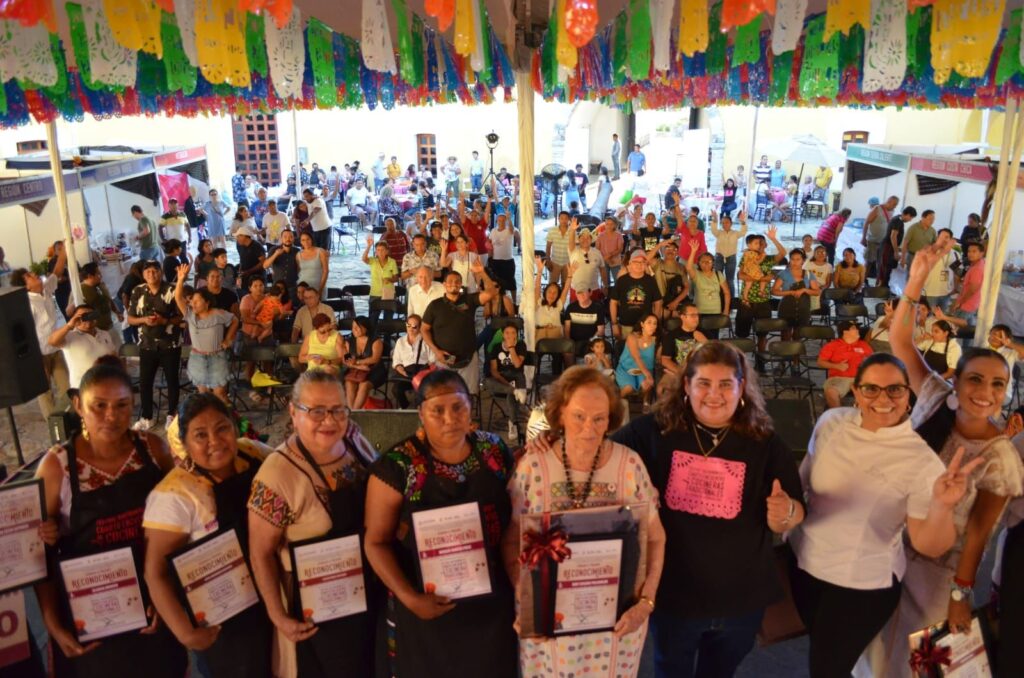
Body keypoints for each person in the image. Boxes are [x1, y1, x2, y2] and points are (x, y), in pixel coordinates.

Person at [867, 240, 1024, 678]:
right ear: (954, 381)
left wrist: (960, 595)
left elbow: (978, 535)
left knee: (913, 663)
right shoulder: (935, 399)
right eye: (975, 379)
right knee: (873, 651)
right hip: (890, 548)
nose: (986, 393)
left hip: (939, 577)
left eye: (997, 385)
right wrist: (917, 277)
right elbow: (899, 340)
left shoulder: (1001, 457)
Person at [612, 342, 805, 678]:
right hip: (673, 596)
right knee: (671, 670)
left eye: (725, 385)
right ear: (686, 385)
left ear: (741, 387)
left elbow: (798, 509)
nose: (713, 395)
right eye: (703, 383)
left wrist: (786, 514)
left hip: (741, 600)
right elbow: (601, 457)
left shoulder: (764, 441)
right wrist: (550, 444)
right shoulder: (653, 432)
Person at [788, 354, 983, 678]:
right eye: (871, 389)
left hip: (860, 586)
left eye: (895, 390)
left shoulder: (921, 461)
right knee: (821, 651)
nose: (883, 399)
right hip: (805, 566)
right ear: (855, 389)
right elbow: (802, 482)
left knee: (826, 669)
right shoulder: (832, 422)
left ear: (908, 394)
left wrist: (942, 505)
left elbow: (929, 544)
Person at [505, 367, 667, 677]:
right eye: (579, 416)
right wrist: (527, 599)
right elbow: (513, 541)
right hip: (548, 621)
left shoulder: (629, 465)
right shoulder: (532, 466)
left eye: (599, 418)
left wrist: (647, 600)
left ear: (611, 419)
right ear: (560, 413)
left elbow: (656, 538)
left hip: (616, 625)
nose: (589, 428)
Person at [33, 361, 187, 678]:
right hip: (88, 611)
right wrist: (51, 621)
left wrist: (168, 591)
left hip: (151, 599)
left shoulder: (153, 450)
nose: (111, 416)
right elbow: (38, 555)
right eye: (98, 406)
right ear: (78, 405)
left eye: (121, 405)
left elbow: (182, 525)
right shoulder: (56, 467)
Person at [364, 370, 517, 677]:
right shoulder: (398, 465)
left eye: (458, 407)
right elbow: (375, 542)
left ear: (470, 407)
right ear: (421, 413)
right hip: (425, 606)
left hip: (490, 606)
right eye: (437, 410)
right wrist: (410, 598)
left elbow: (515, 515)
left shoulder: (494, 452)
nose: (450, 418)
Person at [248, 371, 378, 678]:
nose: (329, 420)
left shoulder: (354, 440)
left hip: (364, 592)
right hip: (314, 612)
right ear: (293, 412)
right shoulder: (276, 476)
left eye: (338, 410)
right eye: (316, 411)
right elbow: (260, 552)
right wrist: (278, 615)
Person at [143, 394, 273, 677]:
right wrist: (186, 633)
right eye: (201, 435)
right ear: (186, 444)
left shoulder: (253, 454)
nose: (215, 441)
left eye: (222, 428)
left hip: (270, 599)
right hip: (222, 620)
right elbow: (155, 573)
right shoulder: (174, 495)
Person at [127, 259, 183, 430]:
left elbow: (182, 315)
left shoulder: (172, 289)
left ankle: (171, 415)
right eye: (148, 271)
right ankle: (147, 416)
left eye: (155, 270)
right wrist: (144, 319)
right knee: (145, 382)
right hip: (147, 344)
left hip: (170, 343)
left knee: (172, 381)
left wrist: (163, 320)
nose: (151, 274)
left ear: (161, 272)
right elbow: (130, 318)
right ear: (143, 274)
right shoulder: (138, 291)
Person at [422, 267, 497, 393]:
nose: (454, 284)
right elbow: (424, 329)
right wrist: (436, 351)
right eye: (450, 281)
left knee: (468, 395)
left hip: (468, 358)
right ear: (444, 285)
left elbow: (491, 292)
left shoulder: (469, 300)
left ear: (461, 284)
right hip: (443, 360)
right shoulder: (435, 305)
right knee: (444, 395)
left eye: (457, 281)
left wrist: (482, 272)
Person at [173, 262, 237, 401]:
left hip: (217, 357)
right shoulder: (190, 315)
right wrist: (180, 280)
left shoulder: (218, 313)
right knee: (204, 395)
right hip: (197, 358)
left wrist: (228, 339)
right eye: (192, 301)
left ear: (207, 302)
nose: (193, 304)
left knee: (220, 393)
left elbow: (235, 320)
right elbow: (178, 298)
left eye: (197, 301)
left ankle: (227, 420)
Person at [736, 227, 786, 348]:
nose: (759, 246)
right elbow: (740, 275)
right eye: (757, 243)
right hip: (746, 301)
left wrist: (774, 238)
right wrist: (763, 278)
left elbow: (783, 253)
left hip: (763, 301)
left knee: (763, 334)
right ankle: (741, 359)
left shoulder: (769, 259)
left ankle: (761, 359)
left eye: (761, 243)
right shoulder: (747, 256)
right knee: (742, 333)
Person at [47, 304, 117, 389]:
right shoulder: (70, 337)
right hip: (84, 388)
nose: (87, 320)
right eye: (82, 317)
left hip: (108, 383)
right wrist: (69, 325)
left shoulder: (104, 334)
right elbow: (52, 341)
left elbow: (114, 355)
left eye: (90, 315)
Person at [817, 320, 874, 409]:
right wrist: (837, 366)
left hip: (860, 378)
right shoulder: (832, 345)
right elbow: (820, 362)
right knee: (831, 392)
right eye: (854, 328)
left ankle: (860, 416)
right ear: (845, 332)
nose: (858, 330)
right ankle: (838, 416)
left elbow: (873, 361)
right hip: (839, 378)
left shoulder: (864, 345)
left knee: (871, 392)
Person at [610, 249, 663, 339]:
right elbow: (613, 302)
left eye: (642, 262)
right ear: (630, 263)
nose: (639, 265)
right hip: (626, 325)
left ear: (646, 264)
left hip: (646, 326)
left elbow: (658, 302)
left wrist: (655, 323)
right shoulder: (622, 280)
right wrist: (614, 324)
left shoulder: (650, 280)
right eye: (635, 262)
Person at [487, 324, 529, 438]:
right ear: (502, 335)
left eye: (513, 333)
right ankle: (515, 391)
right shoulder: (496, 347)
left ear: (517, 335)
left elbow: (517, 364)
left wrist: (511, 348)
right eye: (507, 333)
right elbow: (494, 371)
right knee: (487, 382)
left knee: (510, 395)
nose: (510, 335)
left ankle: (513, 424)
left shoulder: (521, 345)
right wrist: (506, 384)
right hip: (502, 379)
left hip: (516, 377)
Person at [390, 314, 434, 408]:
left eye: (414, 326)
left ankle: (419, 410)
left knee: (422, 392)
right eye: (408, 325)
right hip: (406, 372)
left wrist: (424, 372)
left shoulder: (426, 340)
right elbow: (396, 361)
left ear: (419, 327)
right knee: (396, 389)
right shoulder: (400, 341)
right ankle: (406, 408)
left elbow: (432, 359)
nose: (410, 329)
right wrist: (402, 370)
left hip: (422, 372)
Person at [773, 249, 820, 337]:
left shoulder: (809, 274)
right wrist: (790, 292)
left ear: (803, 261)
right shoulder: (783, 274)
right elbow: (774, 291)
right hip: (786, 307)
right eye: (792, 259)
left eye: (798, 259)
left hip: (803, 309)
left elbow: (817, 292)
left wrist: (804, 290)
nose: (795, 262)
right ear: (789, 260)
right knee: (785, 333)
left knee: (798, 334)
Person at [342, 316, 385, 409]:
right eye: (353, 327)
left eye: (358, 327)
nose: (354, 330)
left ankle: (355, 413)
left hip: (374, 370)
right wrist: (359, 366)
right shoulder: (349, 342)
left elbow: (374, 359)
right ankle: (353, 412)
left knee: (364, 385)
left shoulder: (376, 341)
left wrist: (357, 362)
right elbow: (347, 360)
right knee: (349, 383)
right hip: (356, 371)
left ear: (366, 327)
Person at [615, 313, 659, 404]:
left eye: (655, 323)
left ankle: (645, 402)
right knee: (628, 388)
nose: (652, 326)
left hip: (645, 369)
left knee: (646, 385)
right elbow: (636, 357)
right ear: (642, 324)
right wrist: (648, 375)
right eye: (649, 323)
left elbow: (658, 359)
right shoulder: (632, 337)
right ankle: (613, 403)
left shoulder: (657, 340)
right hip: (626, 368)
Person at [77, 261, 122, 348]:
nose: (100, 276)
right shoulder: (80, 291)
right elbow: (70, 311)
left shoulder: (100, 285)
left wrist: (117, 312)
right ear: (90, 276)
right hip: (97, 331)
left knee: (119, 349)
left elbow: (108, 299)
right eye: (98, 274)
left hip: (109, 325)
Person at [686, 250, 730, 335]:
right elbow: (688, 267)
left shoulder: (718, 274)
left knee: (714, 336)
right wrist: (693, 251)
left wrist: (726, 310)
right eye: (703, 261)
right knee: (699, 336)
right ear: (698, 263)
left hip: (715, 311)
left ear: (713, 262)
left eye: (709, 261)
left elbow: (727, 292)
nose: (706, 263)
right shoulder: (696, 274)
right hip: (699, 311)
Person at [660, 304, 708, 379]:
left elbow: (714, 357)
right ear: (682, 317)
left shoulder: (704, 333)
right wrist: (681, 373)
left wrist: (704, 341)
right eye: (692, 315)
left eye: (697, 315)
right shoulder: (671, 335)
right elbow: (665, 360)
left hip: (700, 374)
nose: (696, 318)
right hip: (678, 372)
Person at [533, 258, 574, 341]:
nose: (552, 294)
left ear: (558, 295)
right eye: (550, 292)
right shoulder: (539, 302)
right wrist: (540, 271)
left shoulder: (558, 305)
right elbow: (537, 287)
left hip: (555, 337)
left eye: (555, 292)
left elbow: (565, 290)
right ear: (545, 293)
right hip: (540, 336)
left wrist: (570, 275)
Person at [648, 238, 690, 318]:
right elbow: (645, 259)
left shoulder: (681, 267)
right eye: (667, 248)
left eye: (674, 249)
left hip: (675, 302)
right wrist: (659, 245)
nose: (671, 251)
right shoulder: (658, 263)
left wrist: (675, 302)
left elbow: (686, 288)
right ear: (663, 251)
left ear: (677, 252)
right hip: (659, 303)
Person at [563, 286, 608, 360]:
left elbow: (600, 330)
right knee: (567, 350)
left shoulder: (597, 308)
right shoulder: (571, 307)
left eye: (584, 292)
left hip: (592, 340)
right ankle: (572, 371)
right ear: (576, 295)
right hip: (574, 341)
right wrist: (569, 342)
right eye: (579, 293)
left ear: (590, 293)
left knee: (598, 348)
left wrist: (591, 342)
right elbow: (567, 328)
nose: (581, 295)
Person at [710, 211, 747, 293]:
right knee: (718, 278)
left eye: (727, 222)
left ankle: (732, 299)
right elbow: (713, 229)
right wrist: (715, 219)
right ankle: (719, 297)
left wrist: (742, 221)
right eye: (723, 223)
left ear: (731, 223)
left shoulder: (735, 233)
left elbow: (743, 231)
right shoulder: (719, 233)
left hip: (731, 258)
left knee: (730, 280)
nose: (724, 224)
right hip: (719, 257)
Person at [949, 240, 985, 325]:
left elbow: (973, 289)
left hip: (967, 305)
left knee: (956, 330)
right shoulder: (979, 263)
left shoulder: (977, 268)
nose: (970, 254)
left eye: (974, 251)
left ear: (981, 253)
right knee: (967, 331)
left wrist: (959, 302)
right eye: (969, 251)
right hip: (972, 303)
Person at [922, 228, 958, 312]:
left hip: (946, 293)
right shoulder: (929, 251)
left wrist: (955, 287)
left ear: (950, 239)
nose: (943, 240)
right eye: (941, 237)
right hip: (930, 292)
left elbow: (956, 272)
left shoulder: (955, 254)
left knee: (941, 318)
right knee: (927, 316)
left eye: (946, 237)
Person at [862, 196, 898, 278]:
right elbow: (866, 222)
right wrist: (863, 237)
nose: (895, 206)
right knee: (869, 262)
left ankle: (877, 283)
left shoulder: (892, 211)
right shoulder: (877, 209)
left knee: (880, 263)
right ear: (888, 202)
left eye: (896, 205)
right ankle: (863, 280)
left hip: (883, 242)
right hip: (873, 241)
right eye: (894, 204)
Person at [489, 212, 518, 300]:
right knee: (497, 282)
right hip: (495, 260)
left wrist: (509, 218)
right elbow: (489, 243)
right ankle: (499, 300)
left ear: (505, 221)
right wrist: (490, 256)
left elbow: (513, 230)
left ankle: (514, 301)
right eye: (499, 220)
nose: (501, 222)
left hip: (508, 260)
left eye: (503, 220)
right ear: (496, 221)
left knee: (511, 281)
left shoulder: (509, 230)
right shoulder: (493, 231)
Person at [263, 228, 301, 294]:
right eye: (285, 236)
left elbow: (299, 268)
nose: (288, 239)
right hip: (277, 286)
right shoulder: (274, 249)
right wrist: (276, 254)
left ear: (293, 238)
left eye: (291, 237)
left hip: (292, 286)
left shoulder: (297, 251)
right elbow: (265, 266)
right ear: (281, 238)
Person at [293, 230, 328, 296]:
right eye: (303, 240)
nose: (306, 242)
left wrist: (320, 289)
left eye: (308, 239)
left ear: (311, 239)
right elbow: (298, 271)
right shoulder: (298, 254)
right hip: (303, 288)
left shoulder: (320, 251)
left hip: (318, 286)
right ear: (300, 242)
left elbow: (325, 271)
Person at [545, 211, 574, 288]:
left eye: (566, 219)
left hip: (567, 263)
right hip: (555, 262)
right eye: (562, 218)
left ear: (569, 220)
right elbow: (548, 246)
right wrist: (548, 260)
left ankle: (562, 299)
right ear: (558, 219)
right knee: (552, 285)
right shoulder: (552, 230)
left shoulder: (572, 232)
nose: (564, 221)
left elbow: (575, 248)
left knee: (565, 285)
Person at [803, 245, 833, 315]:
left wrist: (821, 289)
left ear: (826, 255)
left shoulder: (829, 266)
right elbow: (803, 277)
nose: (821, 254)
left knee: (817, 293)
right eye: (818, 252)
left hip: (821, 288)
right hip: (808, 286)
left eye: (823, 252)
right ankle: (809, 313)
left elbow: (828, 283)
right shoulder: (808, 263)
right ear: (814, 254)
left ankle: (811, 312)